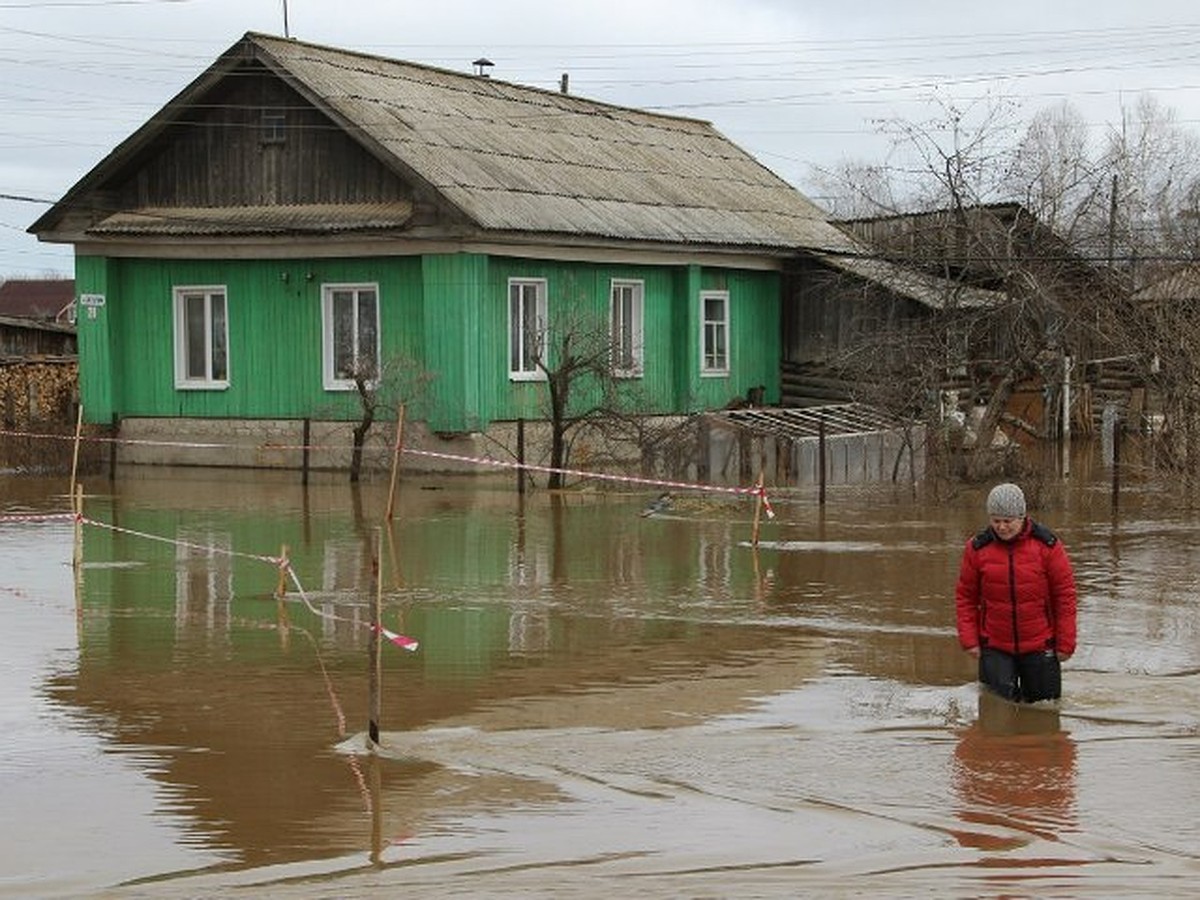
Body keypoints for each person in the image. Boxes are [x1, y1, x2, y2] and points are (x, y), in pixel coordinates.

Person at [955, 482, 1077, 703]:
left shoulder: (1048, 546)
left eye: (1008, 521)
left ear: (1022, 517)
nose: (1002, 527)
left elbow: (1065, 596)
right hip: (994, 646)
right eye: (996, 521)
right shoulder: (976, 549)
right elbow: (965, 596)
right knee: (995, 714)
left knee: (1044, 716)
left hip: (1041, 645)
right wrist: (969, 639)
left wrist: (1065, 643)